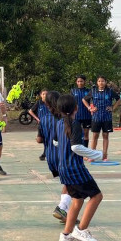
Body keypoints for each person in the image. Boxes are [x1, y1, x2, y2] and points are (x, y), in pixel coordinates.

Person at [53, 94, 105, 241]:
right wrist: (97, 154)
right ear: (76, 108)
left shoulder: (58, 123)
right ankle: (81, 229)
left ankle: (66, 235)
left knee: (77, 200)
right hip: (75, 169)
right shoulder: (75, 124)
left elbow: (56, 142)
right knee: (97, 196)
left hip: (64, 169)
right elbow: (76, 147)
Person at [36, 91, 77, 222]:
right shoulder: (65, 120)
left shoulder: (44, 119)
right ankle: (61, 208)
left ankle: (64, 213)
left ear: (46, 104)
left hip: (50, 156)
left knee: (68, 183)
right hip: (63, 156)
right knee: (73, 183)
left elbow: (38, 139)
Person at [87, 76, 121, 162]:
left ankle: (104, 156)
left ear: (105, 82)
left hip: (107, 117)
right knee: (95, 136)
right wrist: (90, 108)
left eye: (102, 81)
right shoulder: (93, 91)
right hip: (96, 117)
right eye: (99, 81)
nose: (101, 83)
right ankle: (92, 155)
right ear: (97, 82)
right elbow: (84, 100)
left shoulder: (110, 91)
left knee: (105, 136)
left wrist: (113, 108)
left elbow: (119, 99)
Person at [29, 89, 48, 161]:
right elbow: (30, 111)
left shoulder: (51, 103)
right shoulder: (39, 103)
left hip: (50, 124)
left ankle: (45, 154)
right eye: (43, 94)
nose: (45, 95)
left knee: (47, 139)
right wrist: (37, 119)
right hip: (41, 124)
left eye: (46, 94)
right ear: (41, 95)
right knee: (39, 140)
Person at [71, 75, 92, 141]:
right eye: (78, 81)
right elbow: (70, 102)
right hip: (76, 116)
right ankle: (76, 150)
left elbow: (94, 100)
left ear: (84, 82)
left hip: (87, 115)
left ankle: (85, 149)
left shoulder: (89, 90)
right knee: (76, 134)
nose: (80, 83)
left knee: (86, 134)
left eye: (81, 81)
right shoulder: (73, 91)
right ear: (76, 82)